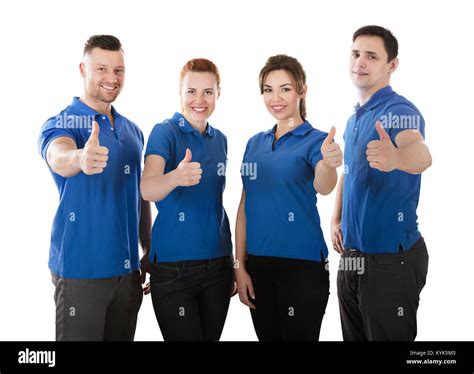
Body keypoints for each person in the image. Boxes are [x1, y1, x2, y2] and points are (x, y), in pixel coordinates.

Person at [38, 35, 151, 341]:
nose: (112, 79)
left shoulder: (132, 130)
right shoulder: (63, 122)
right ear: (82, 70)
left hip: (128, 277)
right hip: (80, 273)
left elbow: (139, 195)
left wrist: (149, 246)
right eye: (101, 69)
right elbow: (57, 155)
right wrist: (80, 157)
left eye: (119, 70)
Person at [331, 25, 432, 341]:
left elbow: (421, 153)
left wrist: (398, 159)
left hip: (390, 261)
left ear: (392, 65)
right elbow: (349, 170)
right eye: (356, 54)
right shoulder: (356, 117)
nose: (359, 62)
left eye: (371, 56)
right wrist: (337, 216)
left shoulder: (399, 111)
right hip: (352, 258)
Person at [235, 54, 343, 341]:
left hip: (303, 269)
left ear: (302, 90)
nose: (276, 98)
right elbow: (245, 207)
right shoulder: (253, 144)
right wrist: (239, 266)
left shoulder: (317, 141)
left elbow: (324, 184)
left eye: (285, 88)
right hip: (258, 267)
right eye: (268, 90)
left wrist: (329, 163)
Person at [141, 58, 235, 341]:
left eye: (208, 91)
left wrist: (230, 261)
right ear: (180, 93)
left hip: (218, 267)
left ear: (218, 93)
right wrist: (176, 177)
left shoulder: (220, 140)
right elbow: (147, 188)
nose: (199, 100)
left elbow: (215, 203)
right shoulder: (164, 132)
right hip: (173, 271)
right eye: (191, 91)